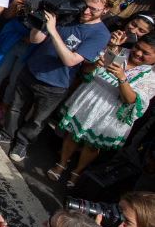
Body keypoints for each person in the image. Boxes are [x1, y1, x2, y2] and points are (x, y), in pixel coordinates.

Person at [0, 0, 112, 164]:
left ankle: (22, 143)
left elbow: (71, 60)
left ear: (106, 10)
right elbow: (36, 40)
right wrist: (41, 23)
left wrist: (53, 30)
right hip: (32, 69)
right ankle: (7, 133)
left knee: (37, 120)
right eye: (85, 6)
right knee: (15, 107)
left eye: (94, 9)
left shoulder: (101, 34)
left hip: (56, 83)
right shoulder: (70, 13)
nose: (87, 11)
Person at [49, 33, 155, 188]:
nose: (138, 53)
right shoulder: (118, 51)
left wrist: (122, 77)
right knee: (73, 134)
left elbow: (130, 100)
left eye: (146, 53)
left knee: (92, 146)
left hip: (110, 114)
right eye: (137, 47)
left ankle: (77, 172)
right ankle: (62, 163)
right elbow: (85, 71)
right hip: (91, 98)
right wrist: (95, 65)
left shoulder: (151, 77)